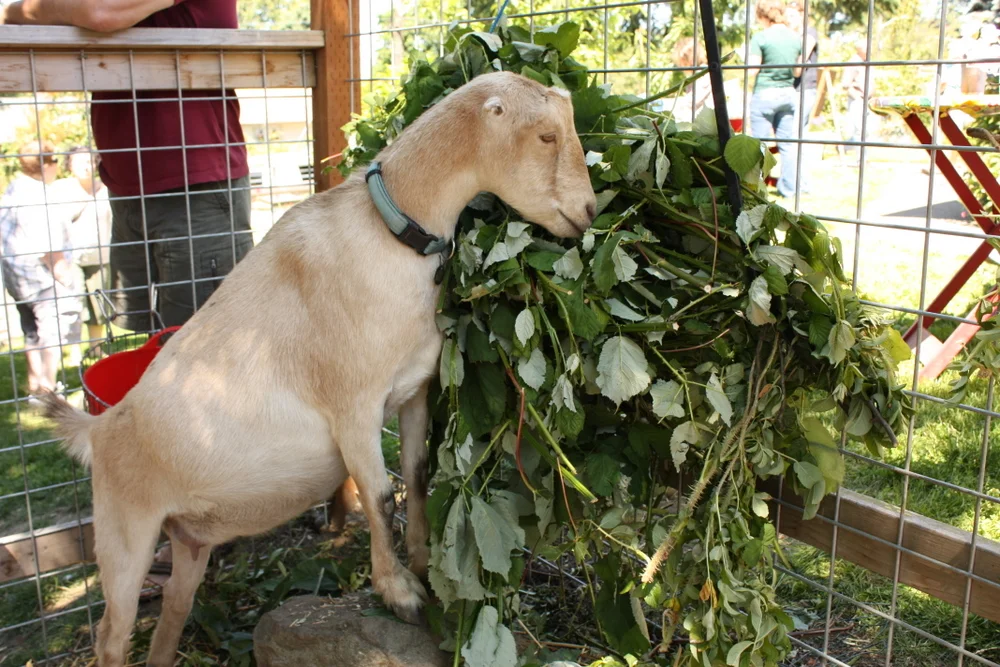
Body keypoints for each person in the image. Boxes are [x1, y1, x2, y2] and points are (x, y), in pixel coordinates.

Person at [2, 0, 253, 593]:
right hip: (133, 185)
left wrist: (24, 5)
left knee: (206, 374)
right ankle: (168, 527)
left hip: (196, 184)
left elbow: (98, 10)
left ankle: (208, 550)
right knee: (146, 365)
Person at [2, 0, 254, 333]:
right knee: (144, 341)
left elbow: (97, 12)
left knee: (207, 346)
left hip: (195, 188)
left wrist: (19, 11)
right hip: (126, 186)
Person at [0, 141, 81, 397]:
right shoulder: (39, 197)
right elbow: (50, 248)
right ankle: (47, 390)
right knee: (51, 333)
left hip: (17, 278)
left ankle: (35, 386)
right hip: (41, 279)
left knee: (32, 331)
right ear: (46, 164)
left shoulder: (15, 188)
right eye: (55, 161)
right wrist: (67, 280)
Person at [49, 148, 113, 353]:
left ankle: (96, 348)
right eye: (80, 162)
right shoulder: (59, 190)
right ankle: (75, 353)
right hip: (71, 259)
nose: (86, 166)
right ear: (69, 165)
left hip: (101, 256)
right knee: (74, 305)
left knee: (99, 306)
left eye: (90, 161)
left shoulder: (106, 188)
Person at [747, 0, 803, 199]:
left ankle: (756, 188)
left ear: (762, 16)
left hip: (765, 94)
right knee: (787, 144)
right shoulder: (796, 38)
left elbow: (752, 70)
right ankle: (789, 190)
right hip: (787, 93)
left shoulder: (760, 37)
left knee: (759, 145)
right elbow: (798, 71)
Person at [840, 40, 869, 160]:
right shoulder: (854, 62)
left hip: (867, 100)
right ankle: (861, 160)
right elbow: (845, 84)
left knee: (865, 130)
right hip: (858, 99)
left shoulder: (865, 62)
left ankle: (843, 147)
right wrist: (858, 98)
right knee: (860, 130)